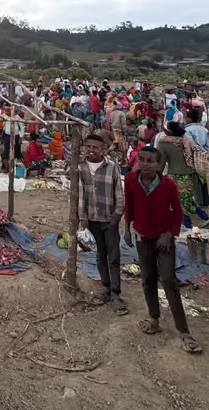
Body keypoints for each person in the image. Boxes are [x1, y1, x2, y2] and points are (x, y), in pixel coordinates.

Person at [123, 147, 201, 353]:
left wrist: (169, 234)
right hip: (141, 235)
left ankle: (184, 331)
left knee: (168, 280)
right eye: (141, 159)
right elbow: (129, 205)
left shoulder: (168, 185)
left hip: (163, 238)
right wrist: (127, 229)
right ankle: (154, 318)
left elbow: (177, 211)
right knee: (147, 278)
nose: (144, 164)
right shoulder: (130, 180)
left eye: (150, 161)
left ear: (159, 165)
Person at [78, 134, 127, 315]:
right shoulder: (80, 167)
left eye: (95, 147)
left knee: (113, 256)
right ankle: (105, 286)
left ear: (103, 150)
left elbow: (119, 193)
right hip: (92, 219)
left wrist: (117, 215)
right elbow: (79, 194)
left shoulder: (111, 167)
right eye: (88, 147)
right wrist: (82, 217)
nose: (91, 150)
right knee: (100, 254)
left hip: (109, 219)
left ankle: (115, 293)